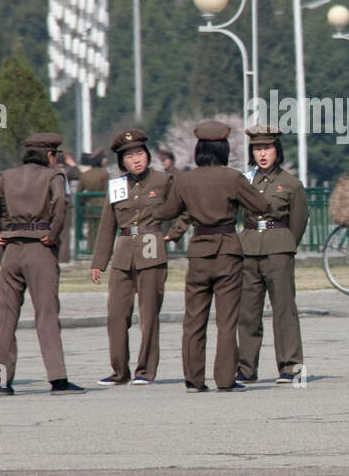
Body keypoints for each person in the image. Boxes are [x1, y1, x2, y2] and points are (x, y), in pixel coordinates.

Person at [150, 121, 271, 392]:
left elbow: (167, 212)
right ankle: (226, 379)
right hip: (228, 249)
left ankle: (193, 379)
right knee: (227, 320)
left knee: (194, 319)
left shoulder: (185, 180)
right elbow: (261, 205)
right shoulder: (232, 177)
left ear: (199, 149)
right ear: (224, 149)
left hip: (199, 252)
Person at [0, 132, 85, 395]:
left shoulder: (9, 176)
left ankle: (1, 380)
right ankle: (58, 379)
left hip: (11, 249)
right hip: (40, 246)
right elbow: (60, 202)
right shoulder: (54, 175)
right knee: (46, 314)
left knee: (6, 315)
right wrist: (54, 233)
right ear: (49, 155)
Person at [91, 128, 176, 386]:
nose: (136, 159)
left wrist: (174, 233)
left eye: (139, 153)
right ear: (122, 162)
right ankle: (119, 372)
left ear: (147, 155)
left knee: (149, 315)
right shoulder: (117, 185)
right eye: (129, 156)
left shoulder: (164, 181)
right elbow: (107, 225)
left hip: (152, 246)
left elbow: (183, 209)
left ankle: (145, 371)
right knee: (116, 315)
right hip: (124, 251)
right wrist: (98, 262)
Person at [237, 126, 309, 384]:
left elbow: (299, 221)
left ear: (277, 150)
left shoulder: (291, 184)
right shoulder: (244, 181)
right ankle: (246, 367)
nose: (262, 153)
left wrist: (286, 243)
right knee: (247, 311)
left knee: (284, 310)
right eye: (257, 149)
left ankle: (291, 367)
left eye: (267, 148)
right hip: (248, 248)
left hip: (278, 249)